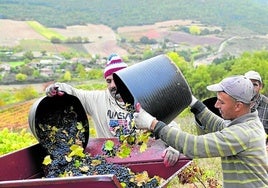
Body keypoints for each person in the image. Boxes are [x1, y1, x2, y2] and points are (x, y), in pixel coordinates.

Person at [45, 53, 179, 167]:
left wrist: (175, 147)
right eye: (109, 81)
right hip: (110, 163)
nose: (113, 85)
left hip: (142, 161)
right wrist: (57, 88)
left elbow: (170, 124)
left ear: (127, 79)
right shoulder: (98, 100)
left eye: (117, 79)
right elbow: (73, 92)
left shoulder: (144, 98)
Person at [133, 75, 268, 187]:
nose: (216, 105)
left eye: (221, 102)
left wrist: (153, 125)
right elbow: (220, 126)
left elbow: (195, 146)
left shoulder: (243, 133)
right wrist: (195, 104)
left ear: (238, 106)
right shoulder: (248, 122)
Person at [245, 70, 268, 144]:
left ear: (260, 86)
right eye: (248, 84)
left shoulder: (266, 104)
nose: (251, 88)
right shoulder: (236, 102)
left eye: (255, 85)